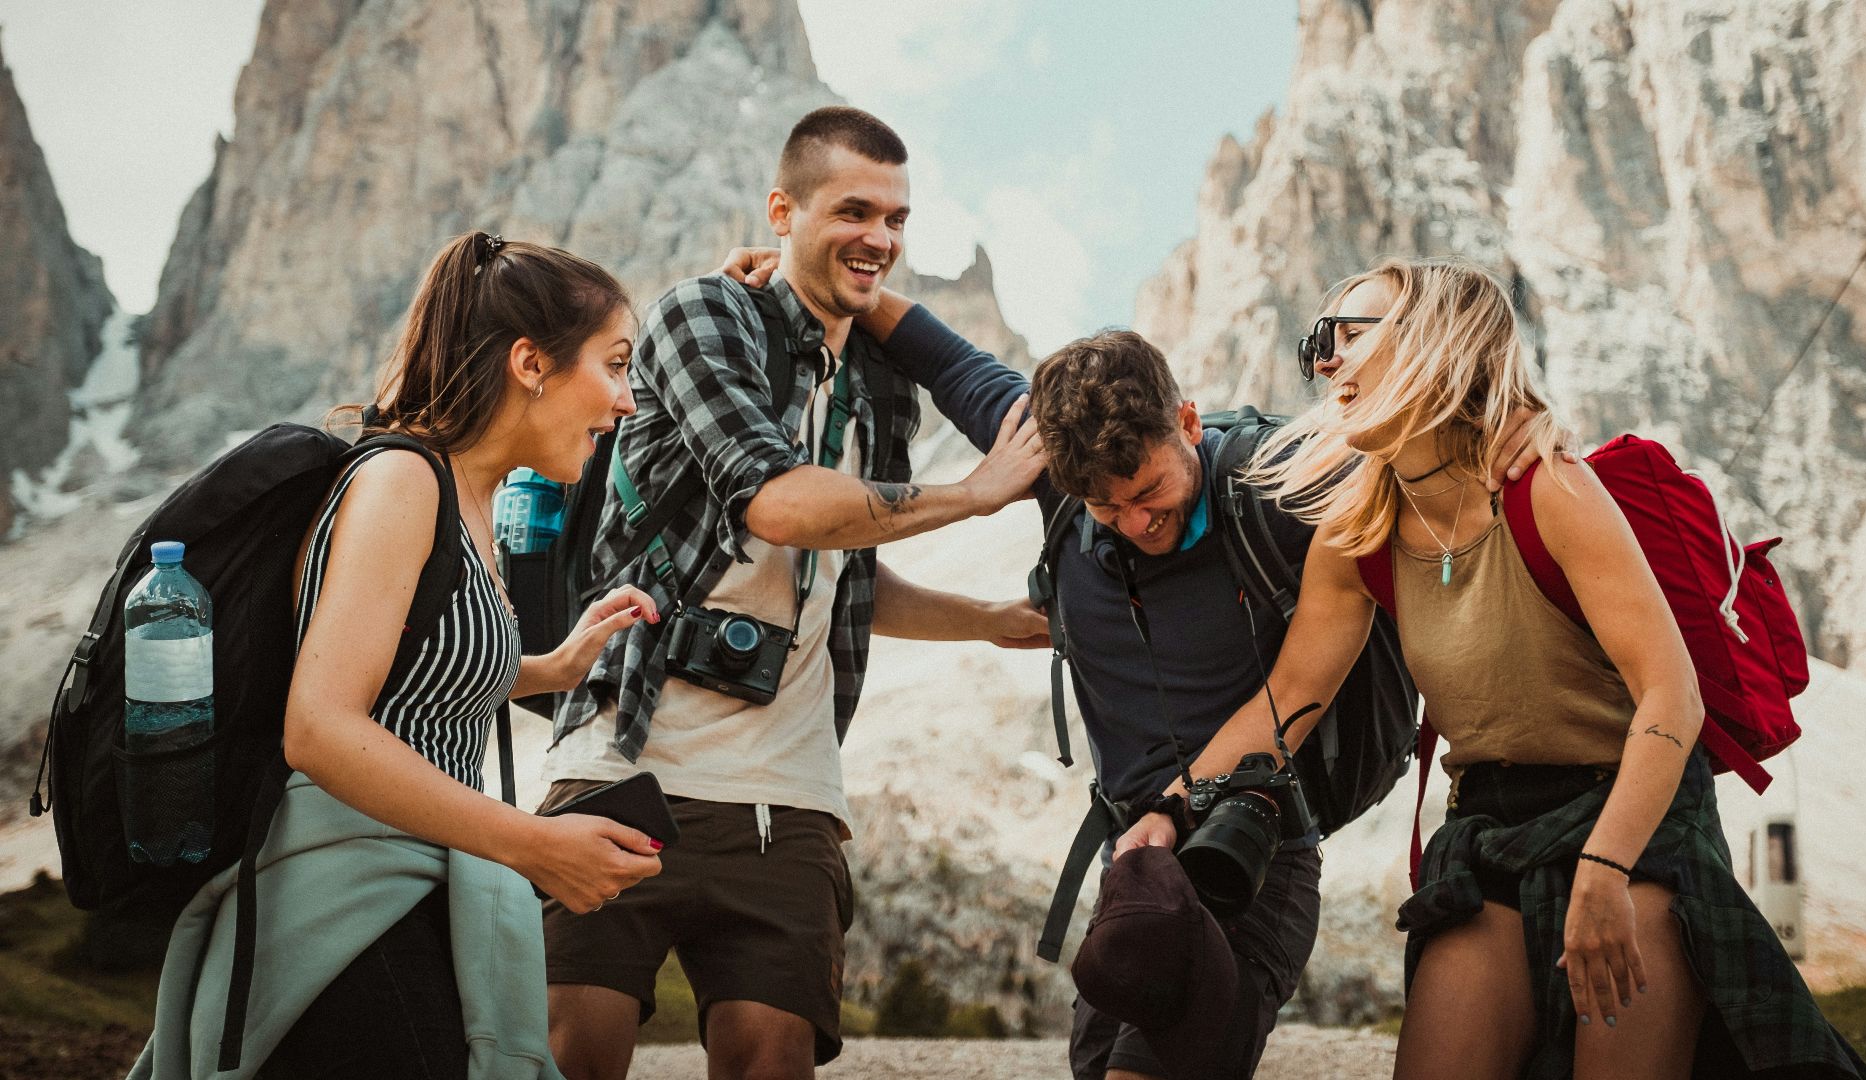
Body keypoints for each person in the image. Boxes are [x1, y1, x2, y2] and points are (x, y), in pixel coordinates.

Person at [721, 243, 1550, 1080]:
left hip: (1251, 857)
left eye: (1149, 493)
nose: (1133, 523)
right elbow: (945, 358)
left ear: (1188, 422)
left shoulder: (1279, 488)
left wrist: (1518, 423)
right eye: (1102, 508)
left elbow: (1426, 444)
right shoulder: (1060, 474)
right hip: (1141, 867)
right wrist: (821, 277)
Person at [1128, 255, 1866, 1079]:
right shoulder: (1357, 534)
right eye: (1319, 342)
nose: (1325, 360)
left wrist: (1606, 868)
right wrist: (1172, 808)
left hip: (1633, 816)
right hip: (1487, 825)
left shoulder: (1547, 488)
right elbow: (1289, 700)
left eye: (1350, 333)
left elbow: (1674, 697)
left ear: (1434, 340)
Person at [539, 106, 1049, 1080]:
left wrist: (988, 623)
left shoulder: (884, 382)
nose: (882, 238)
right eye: (854, 210)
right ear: (783, 208)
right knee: (574, 1055)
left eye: (898, 219)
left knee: (773, 1060)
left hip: (790, 795)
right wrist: (971, 498)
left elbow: (846, 564)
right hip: (626, 758)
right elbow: (777, 505)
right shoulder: (703, 316)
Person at [132, 231, 670, 1079]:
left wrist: (554, 665)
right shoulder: (402, 481)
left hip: (412, 884)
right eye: (613, 365)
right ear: (531, 363)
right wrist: (533, 844)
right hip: (345, 904)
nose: (627, 401)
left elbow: (407, 670)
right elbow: (319, 727)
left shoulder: (467, 498)